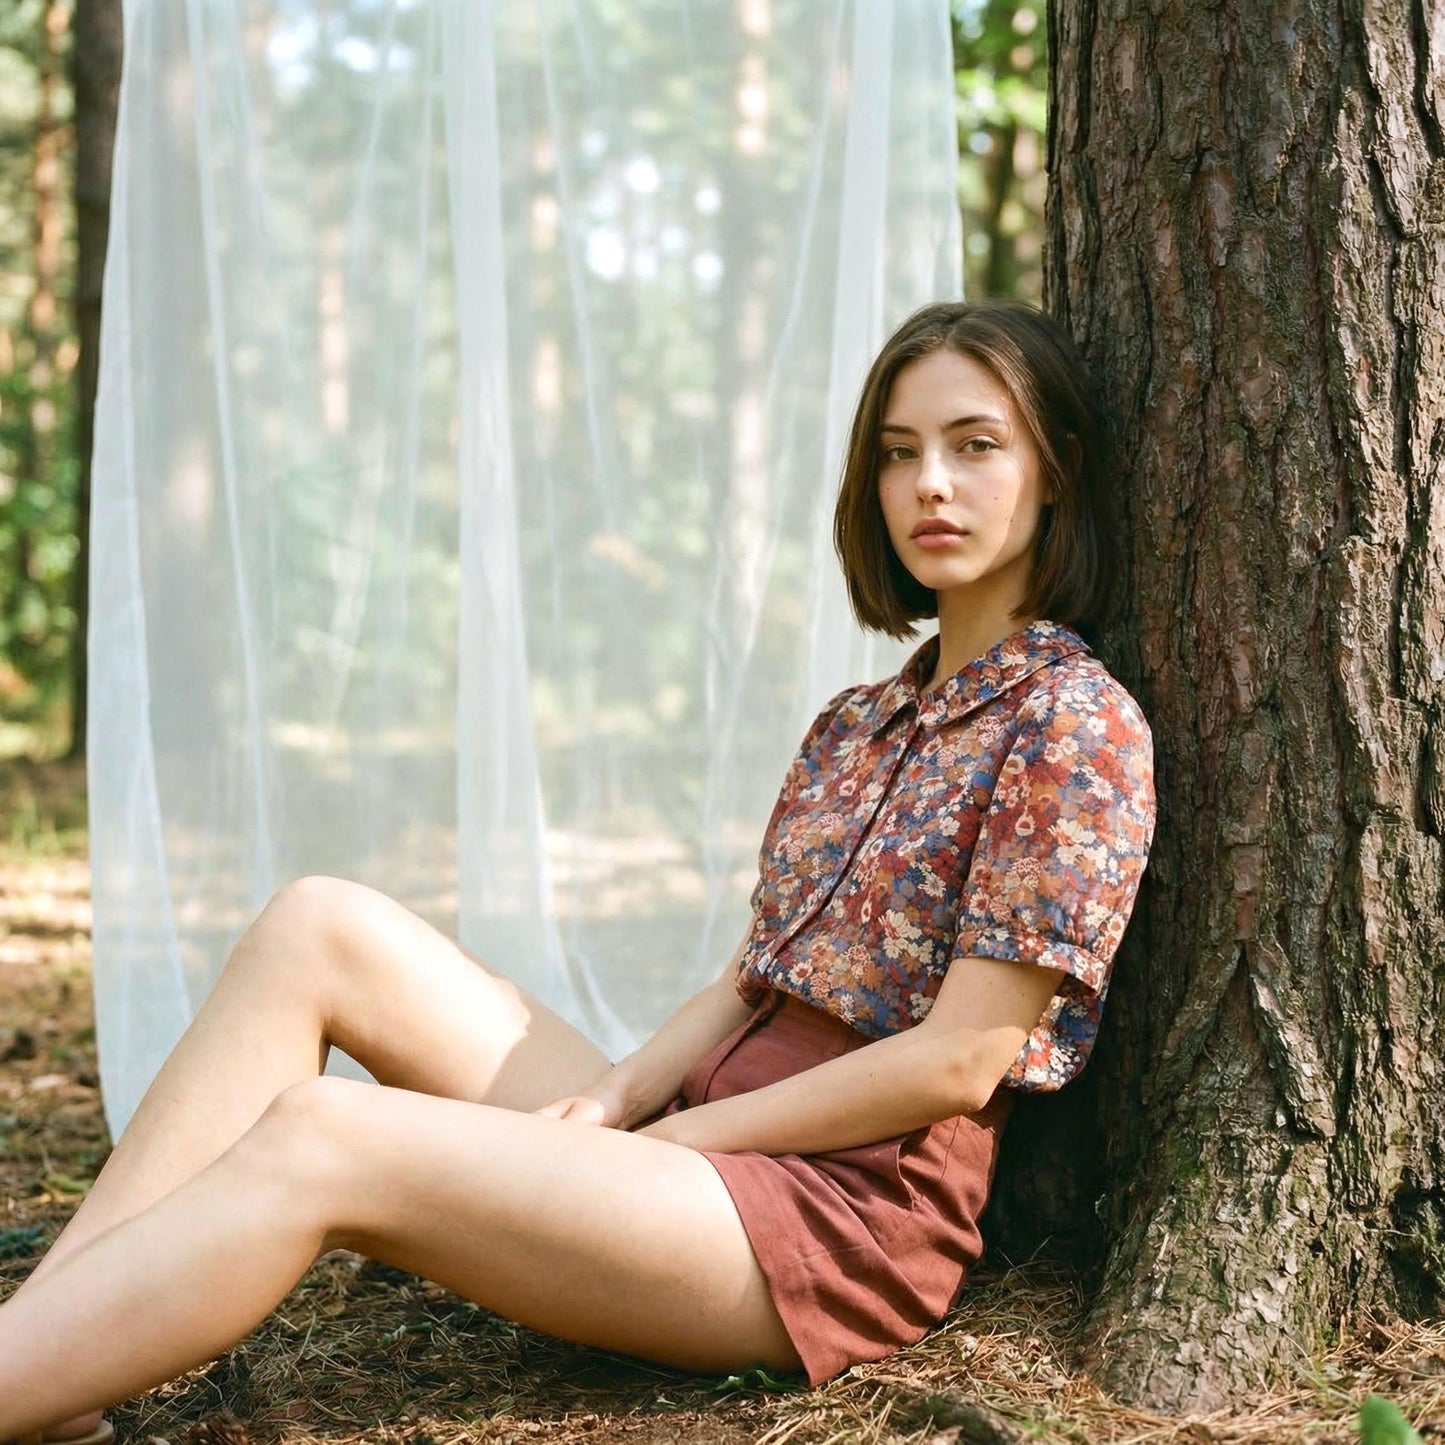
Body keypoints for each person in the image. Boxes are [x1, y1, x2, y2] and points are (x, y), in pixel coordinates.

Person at [0, 299, 1154, 1445]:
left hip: (824, 1220)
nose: (929, 485)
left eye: (974, 445)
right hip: (697, 1143)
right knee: (319, 924)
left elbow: (958, 1060)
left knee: (325, 1131)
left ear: (1053, 470)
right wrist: (612, 1097)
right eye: (897, 453)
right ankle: (50, 1364)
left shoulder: (1071, 725)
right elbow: (753, 977)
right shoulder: (857, 723)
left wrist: (679, 1140)